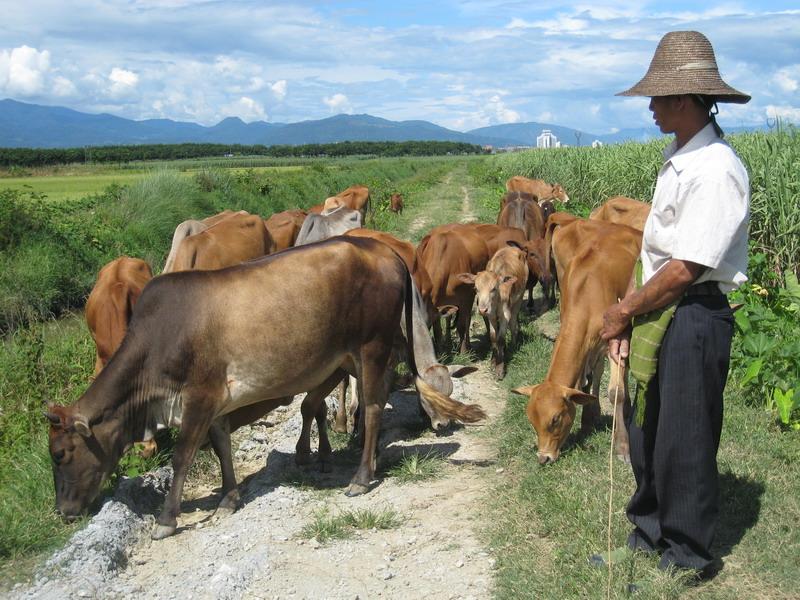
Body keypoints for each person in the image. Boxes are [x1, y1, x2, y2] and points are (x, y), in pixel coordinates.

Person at [595, 30, 751, 580]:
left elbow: (685, 267)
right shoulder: (681, 156)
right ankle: (649, 530)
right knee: (649, 428)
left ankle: (688, 553)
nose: (652, 109)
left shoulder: (715, 169)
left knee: (685, 434)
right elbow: (659, 254)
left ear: (684, 100)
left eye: (657, 99)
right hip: (665, 310)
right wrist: (632, 316)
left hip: (693, 314)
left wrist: (621, 312)